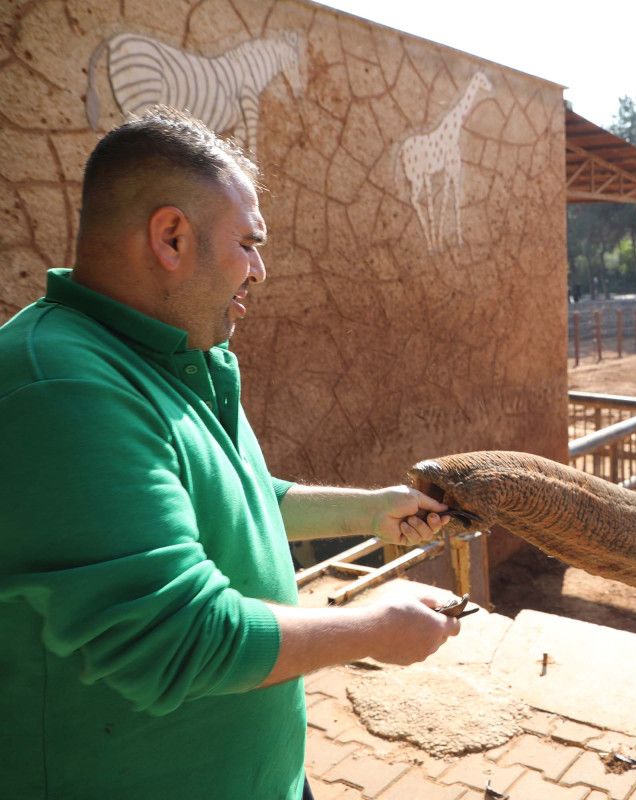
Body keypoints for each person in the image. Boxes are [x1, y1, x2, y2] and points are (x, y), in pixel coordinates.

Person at [0, 107, 462, 800]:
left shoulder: (175, 354)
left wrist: (370, 512)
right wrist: (373, 629)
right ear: (171, 236)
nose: (261, 270)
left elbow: (243, 500)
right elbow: (177, 635)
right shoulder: (62, 386)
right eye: (248, 243)